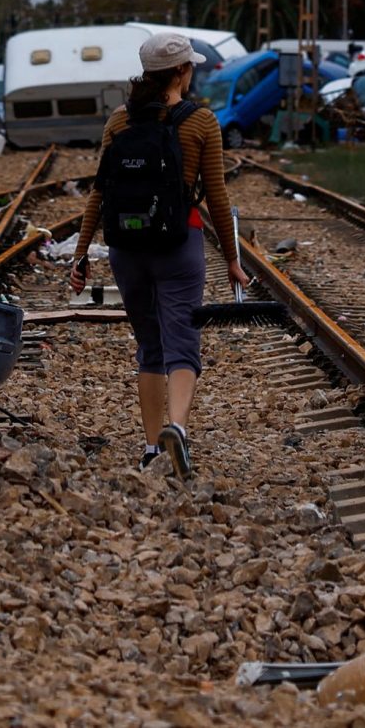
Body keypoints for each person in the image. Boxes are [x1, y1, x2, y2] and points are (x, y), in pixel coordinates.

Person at [70, 33, 245, 477]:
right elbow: (218, 197)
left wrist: (81, 252)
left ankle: (151, 447)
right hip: (178, 244)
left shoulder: (118, 120)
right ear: (183, 71)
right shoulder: (201, 121)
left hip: (126, 249)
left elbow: (99, 192)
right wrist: (231, 257)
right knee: (182, 343)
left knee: (149, 346)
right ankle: (179, 429)